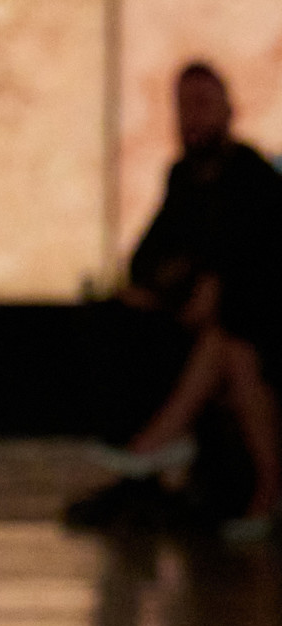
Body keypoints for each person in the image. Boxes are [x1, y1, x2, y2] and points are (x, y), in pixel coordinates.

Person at [74, 63, 282, 541]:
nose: (192, 117)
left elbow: (251, 261)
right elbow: (151, 258)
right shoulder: (184, 177)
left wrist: (210, 285)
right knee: (125, 327)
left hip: (252, 325)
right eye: (184, 106)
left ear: (229, 109)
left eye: (202, 105)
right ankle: (157, 459)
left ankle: (158, 447)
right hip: (206, 325)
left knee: (234, 347)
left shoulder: (250, 176)